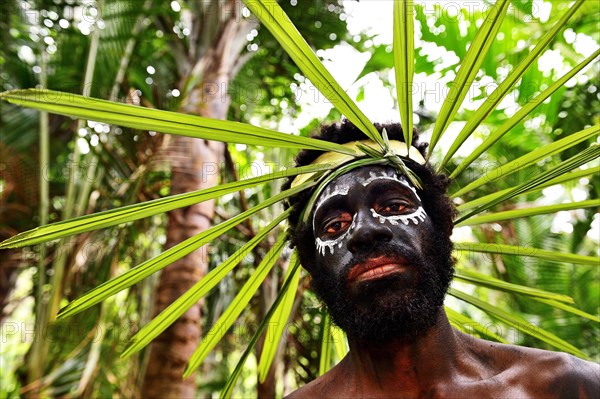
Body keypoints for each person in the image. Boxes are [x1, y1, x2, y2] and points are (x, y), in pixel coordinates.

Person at [281, 120, 600, 398]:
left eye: (393, 207)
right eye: (335, 225)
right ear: (311, 265)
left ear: (443, 225)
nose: (365, 231)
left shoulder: (567, 387)